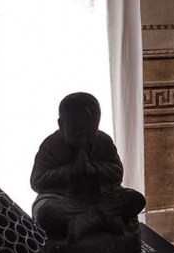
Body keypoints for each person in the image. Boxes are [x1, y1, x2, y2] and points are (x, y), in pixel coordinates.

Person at [31, 92, 145, 243]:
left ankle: (85, 221)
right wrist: (69, 172)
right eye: (76, 134)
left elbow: (117, 172)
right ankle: (105, 218)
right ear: (61, 124)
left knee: (136, 199)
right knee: (45, 212)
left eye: (90, 134)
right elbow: (37, 182)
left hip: (102, 197)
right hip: (64, 200)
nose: (83, 140)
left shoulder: (103, 141)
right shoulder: (51, 146)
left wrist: (95, 169)